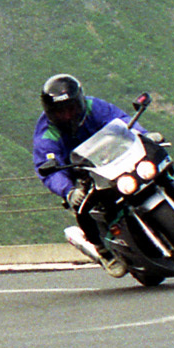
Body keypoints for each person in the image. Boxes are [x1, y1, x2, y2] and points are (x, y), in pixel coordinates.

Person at [33, 73, 141, 276]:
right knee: (83, 206)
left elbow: (123, 121)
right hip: (81, 176)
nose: (66, 116)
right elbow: (45, 168)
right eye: (59, 112)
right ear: (49, 112)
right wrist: (68, 190)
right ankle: (103, 250)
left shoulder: (95, 108)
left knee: (151, 161)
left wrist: (142, 135)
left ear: (80, 102)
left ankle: (169, 191)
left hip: (113, 158)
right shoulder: (47, 134)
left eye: (71, 109)